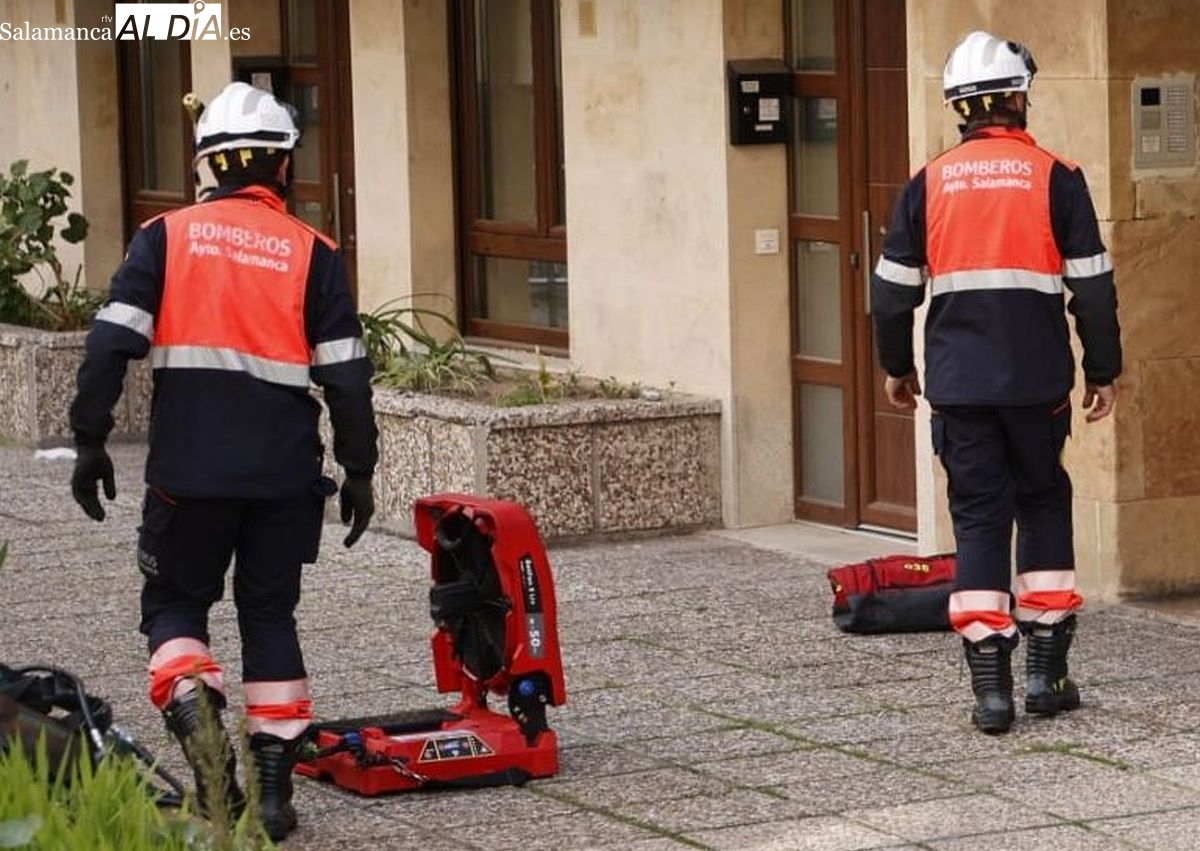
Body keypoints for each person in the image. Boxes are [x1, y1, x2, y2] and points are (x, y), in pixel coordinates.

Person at [68, 81, 379, 838]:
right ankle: (274, 797)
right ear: (282, 167)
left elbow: (111, 342)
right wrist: (361, 470)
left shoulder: (165, 238)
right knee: (269, 611)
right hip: (283, 478)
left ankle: (204, 745)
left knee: (174, 606)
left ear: (208, 163)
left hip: (187, 476)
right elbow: (345, 376)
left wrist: (89, 438)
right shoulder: (316, 254)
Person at [871, 31, 1121, 734]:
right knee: (1043, 501)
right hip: (1037, 384)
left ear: (960, 106)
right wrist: (1103, 370)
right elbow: (1094, 292)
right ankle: (1047, 673)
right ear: (1019, 98)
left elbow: (890, 295)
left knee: (979, 515)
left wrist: (898, 367)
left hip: (957, 386)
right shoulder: (1056, 175)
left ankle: (992, 693)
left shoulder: (928, 182)